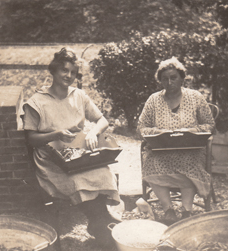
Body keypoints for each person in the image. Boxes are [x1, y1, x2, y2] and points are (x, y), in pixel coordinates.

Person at [22, 47, 120, 248]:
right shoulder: (37, 102)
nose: (68, 76)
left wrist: (93, 132)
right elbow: (31, 139)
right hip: (51, 159)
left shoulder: (79, 96)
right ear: (54, 70)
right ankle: (100, 223)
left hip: (78, 153)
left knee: (102, 171)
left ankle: (100, 219)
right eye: (64, 70)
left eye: (73, 73)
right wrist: (56, 134)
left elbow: (102, 120)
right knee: (77, 180)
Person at [137, 57, 215, 225]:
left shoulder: (195, 97)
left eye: (173, 77)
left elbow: (210, 125)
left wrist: (192, 131)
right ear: (160, 81)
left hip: (191, 150)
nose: (169, 82)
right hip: (162, 150)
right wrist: (159, 132)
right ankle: (168, 210)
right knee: (150, 163)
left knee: (190, 163)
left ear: (182, 78)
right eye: (165, 78)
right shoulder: (154, 100)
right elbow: (141, 127)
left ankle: (187, 211)